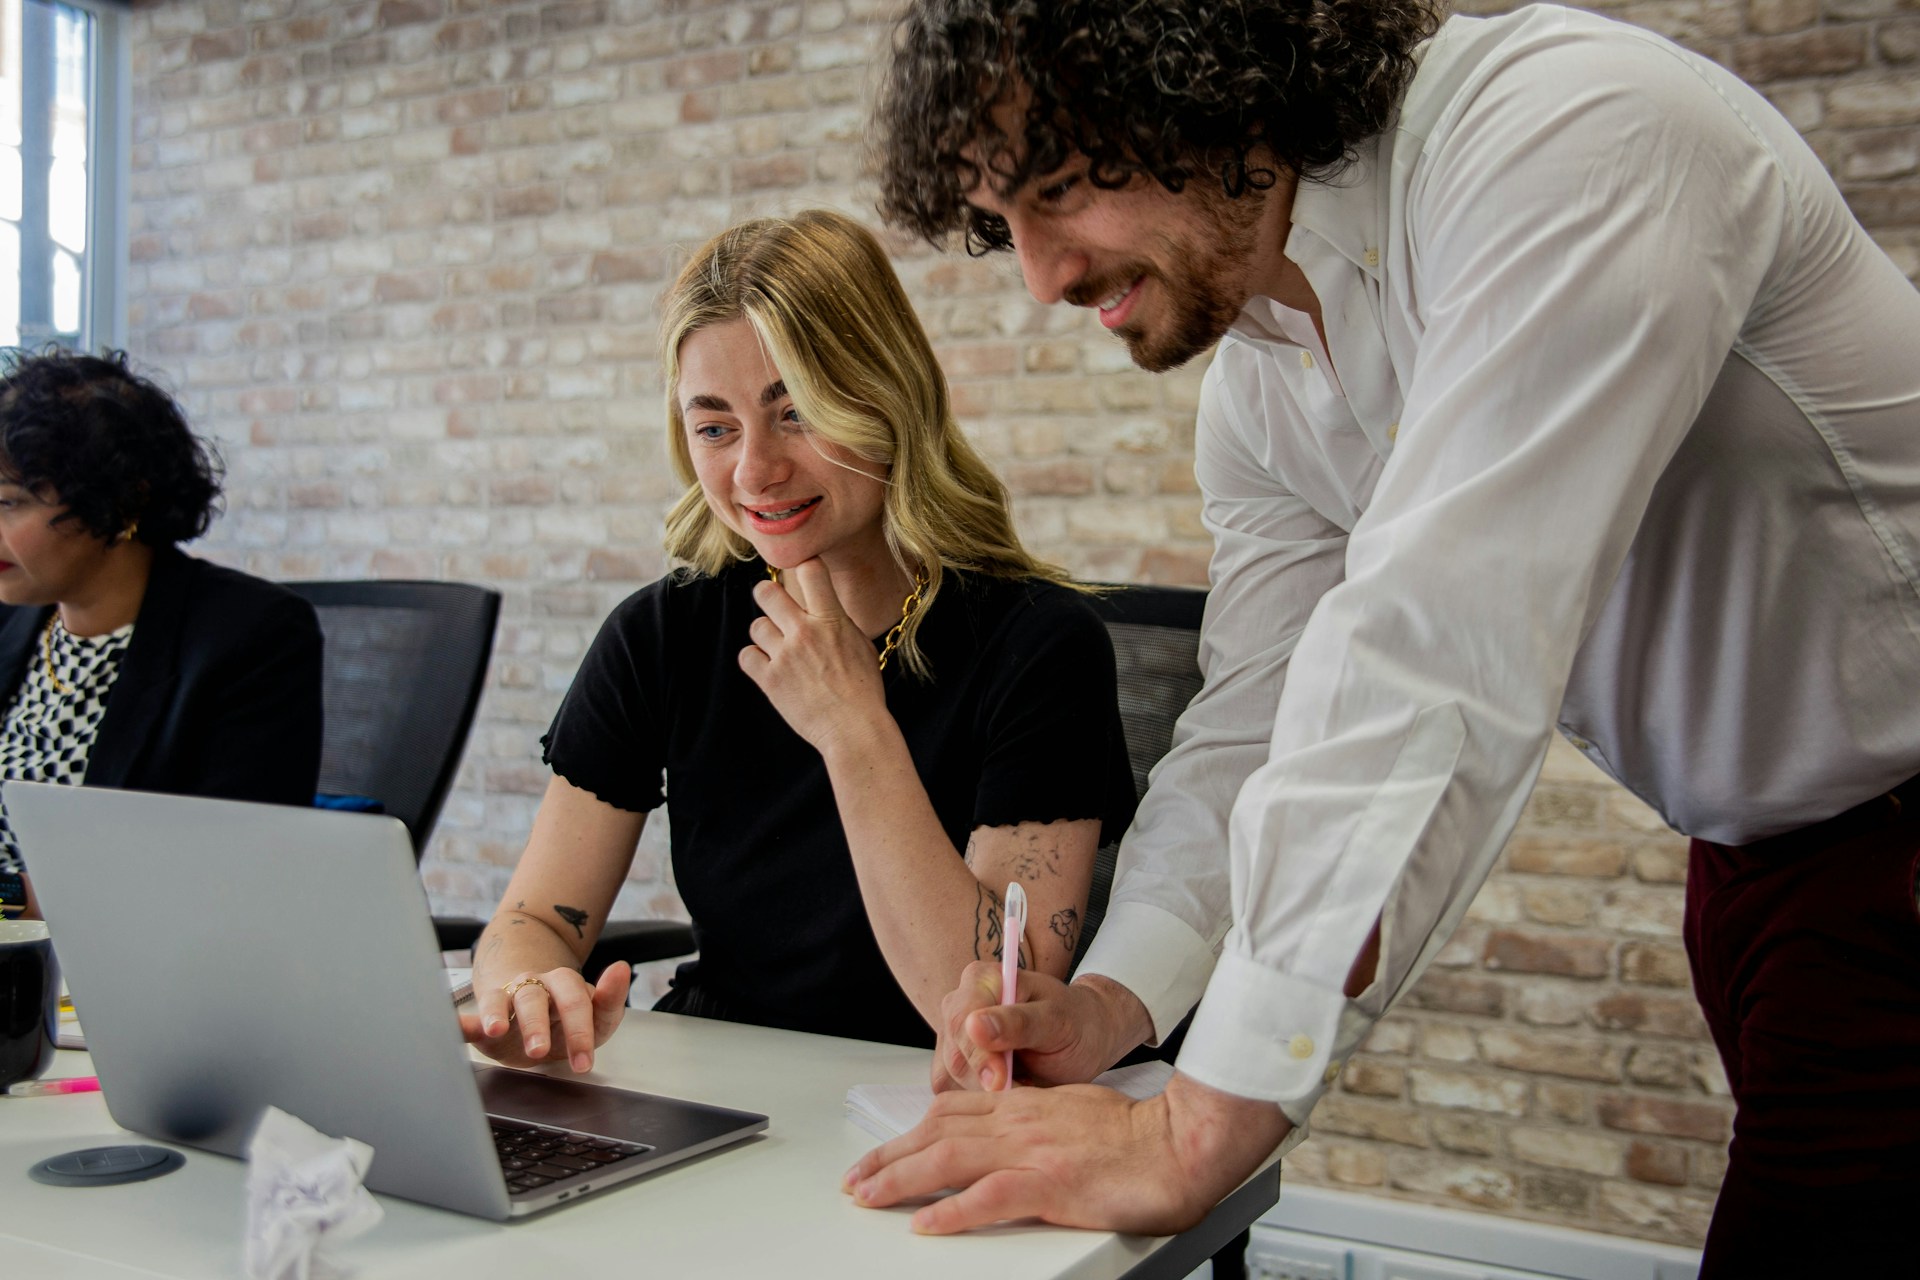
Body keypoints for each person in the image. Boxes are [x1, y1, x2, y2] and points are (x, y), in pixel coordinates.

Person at [845, 1, 1920, 1269]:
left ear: (1199, 83)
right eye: (1001, 220)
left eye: (1062, 189)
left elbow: (1436, 650)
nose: (1040, 275)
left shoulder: (1573, 137)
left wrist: (1198, 1126)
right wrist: (1112, 1001)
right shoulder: (1264, 390)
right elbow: (1254, 724)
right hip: (1762, 870)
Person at [462, 209, 1135, 1073]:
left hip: (925, 1095)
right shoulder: (661, 634)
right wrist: (526, 988)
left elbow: (993, 1011)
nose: (754, 471)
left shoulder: (1040, 647)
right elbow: (536, 918)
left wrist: (852, 728)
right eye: (715, 427)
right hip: (727, 1079)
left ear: (887, 397)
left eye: (797, 413)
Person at [0, 348, 324, 919]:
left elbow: (223, 866)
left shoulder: (252, 637)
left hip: (109, 959)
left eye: (9, 502)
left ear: (120, 500)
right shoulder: (11, 622)